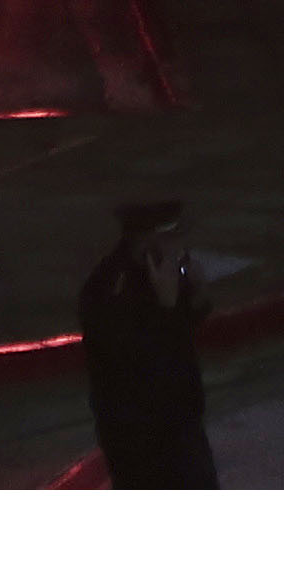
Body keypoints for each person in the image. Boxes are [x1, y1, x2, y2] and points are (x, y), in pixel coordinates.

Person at [77, 201, 218, 486]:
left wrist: (198, 297)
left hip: (182, 426)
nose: (179, 246)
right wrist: (166, 307)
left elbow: (182, 334)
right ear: (147, 241)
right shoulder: (110, 289)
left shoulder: (165, 273)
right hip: (142, 441)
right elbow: (139, 361)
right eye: (171, 237)